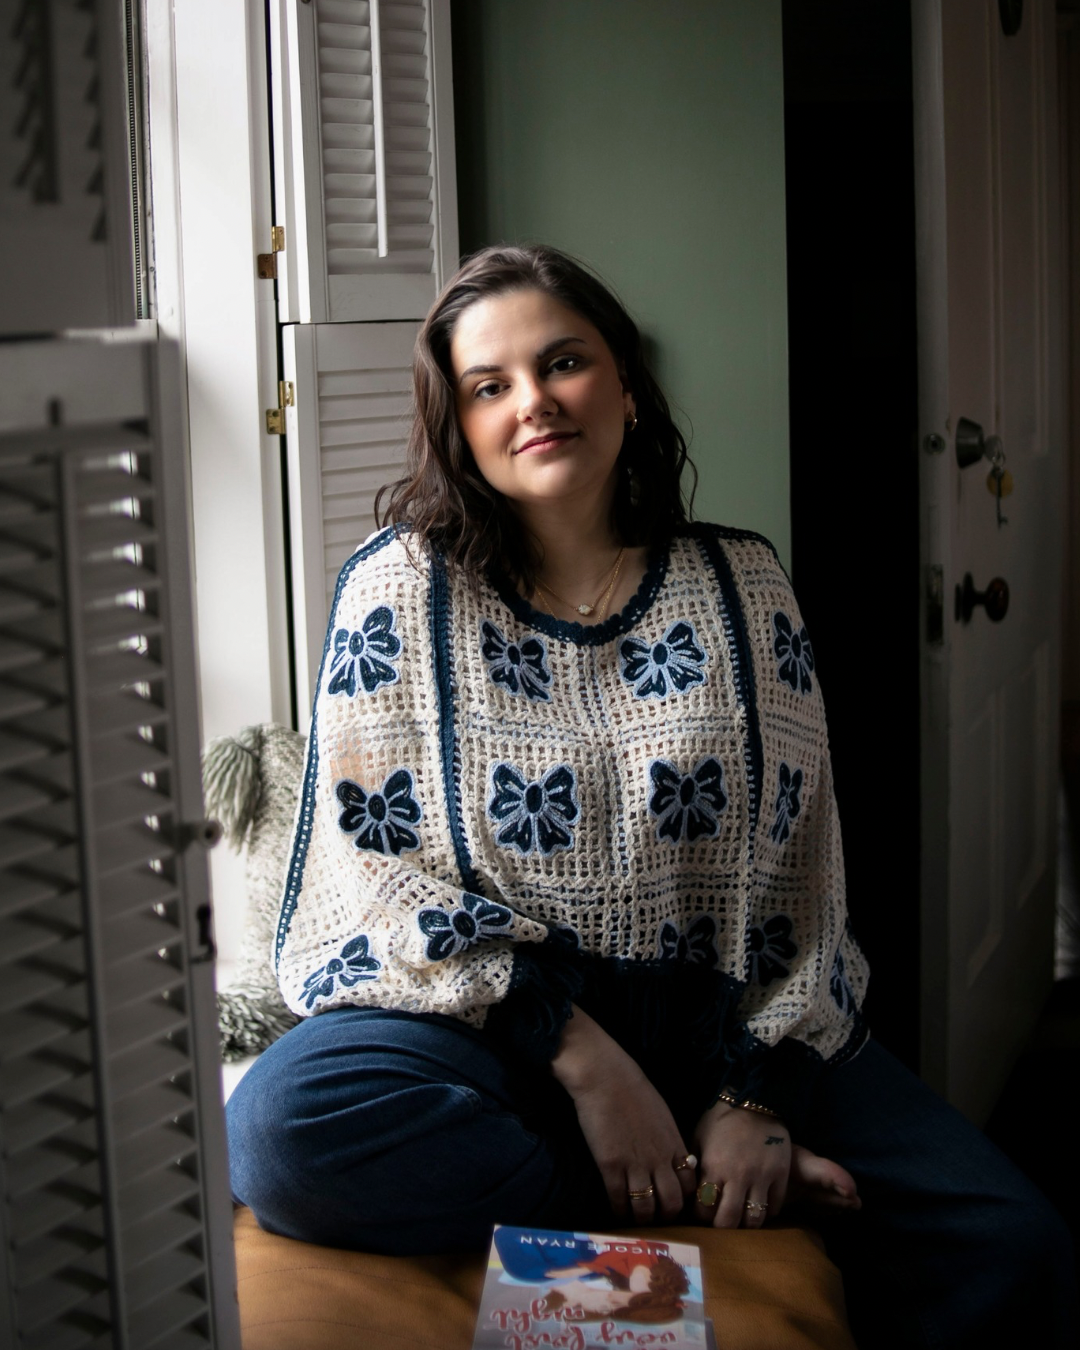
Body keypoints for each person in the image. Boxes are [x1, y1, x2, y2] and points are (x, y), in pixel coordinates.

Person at [227, 244, 1077, 1348]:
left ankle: (714, 1157)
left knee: (1018, 1243)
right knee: (283, 1135)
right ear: (458, 425)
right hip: (494, 1027)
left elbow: (800, 873)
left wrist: (756, 1096)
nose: (533, 402)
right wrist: (584, 1060)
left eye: (564, 362)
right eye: (489, 386)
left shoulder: (744, 583)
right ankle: (670, 1183)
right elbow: (373, 874)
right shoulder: (397, 588)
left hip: (728, 1019)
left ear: (624, 384)